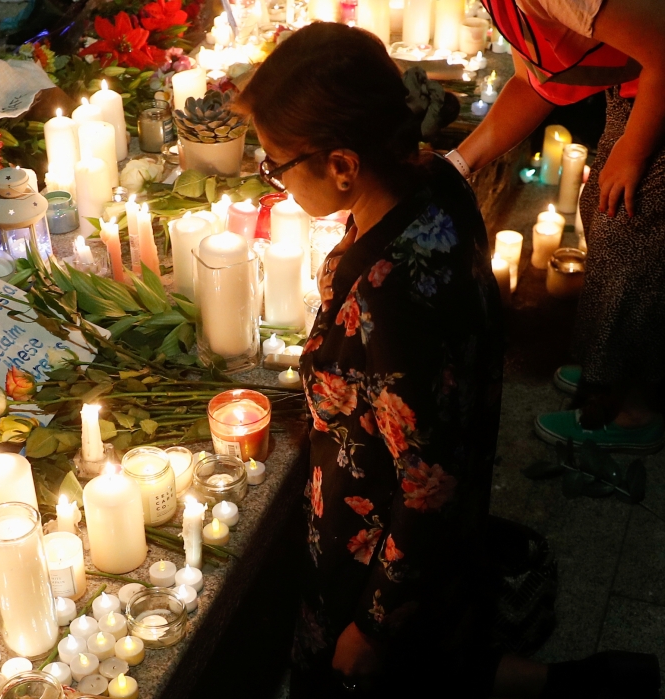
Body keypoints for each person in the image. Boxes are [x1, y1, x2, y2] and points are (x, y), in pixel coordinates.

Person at [236, 22, 659, 698]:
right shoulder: (430, 182)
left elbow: (429, 485)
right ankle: (595, 684)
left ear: (343, 165)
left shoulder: (390, 297)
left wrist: (372, 626)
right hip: (429, 551)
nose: (277, 182)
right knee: (445, 662)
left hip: (377, 554)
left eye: (276, 166)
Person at [450, 0, 665, 453]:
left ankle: (632, 410)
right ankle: (613, 367)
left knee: (631, 226)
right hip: (640, 88)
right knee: (606, 217)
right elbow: (533, 85)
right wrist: (456, 164)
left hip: (657, 89)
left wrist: (635, 150)